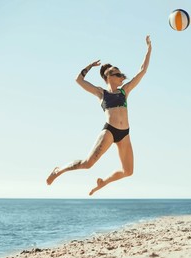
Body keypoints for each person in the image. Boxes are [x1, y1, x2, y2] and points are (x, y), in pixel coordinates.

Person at [46, 35, 152, 196]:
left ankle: (103, 183)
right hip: (110, 131)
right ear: (109, 77)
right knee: (88, 164)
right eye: (117, 74)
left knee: (128, 171)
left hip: (125, 134)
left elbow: (143, 70)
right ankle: (59, 170)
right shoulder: (101, 93)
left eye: (121, 74)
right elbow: (79, 80)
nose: (121, 76)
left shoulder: (125, 90)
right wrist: (89, 66)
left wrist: (149, 49)